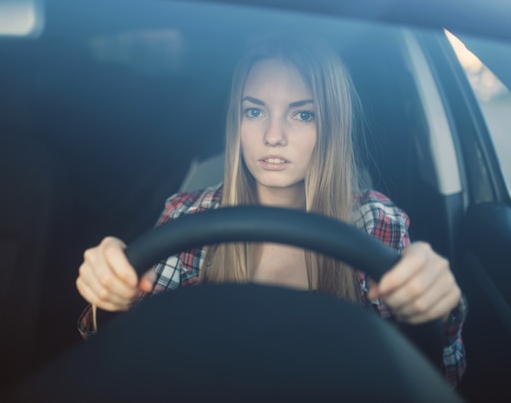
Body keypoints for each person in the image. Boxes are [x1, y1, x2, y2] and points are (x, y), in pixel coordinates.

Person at [75, 37, 467, 386]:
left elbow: (438, 377)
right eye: (255, 112)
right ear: (237, 122)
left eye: (302, 114)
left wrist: (438, 310)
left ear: (331, 125)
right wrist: (110, 292)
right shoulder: (189, 217)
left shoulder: (376, 222)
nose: (273, 136)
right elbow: (116, 358)